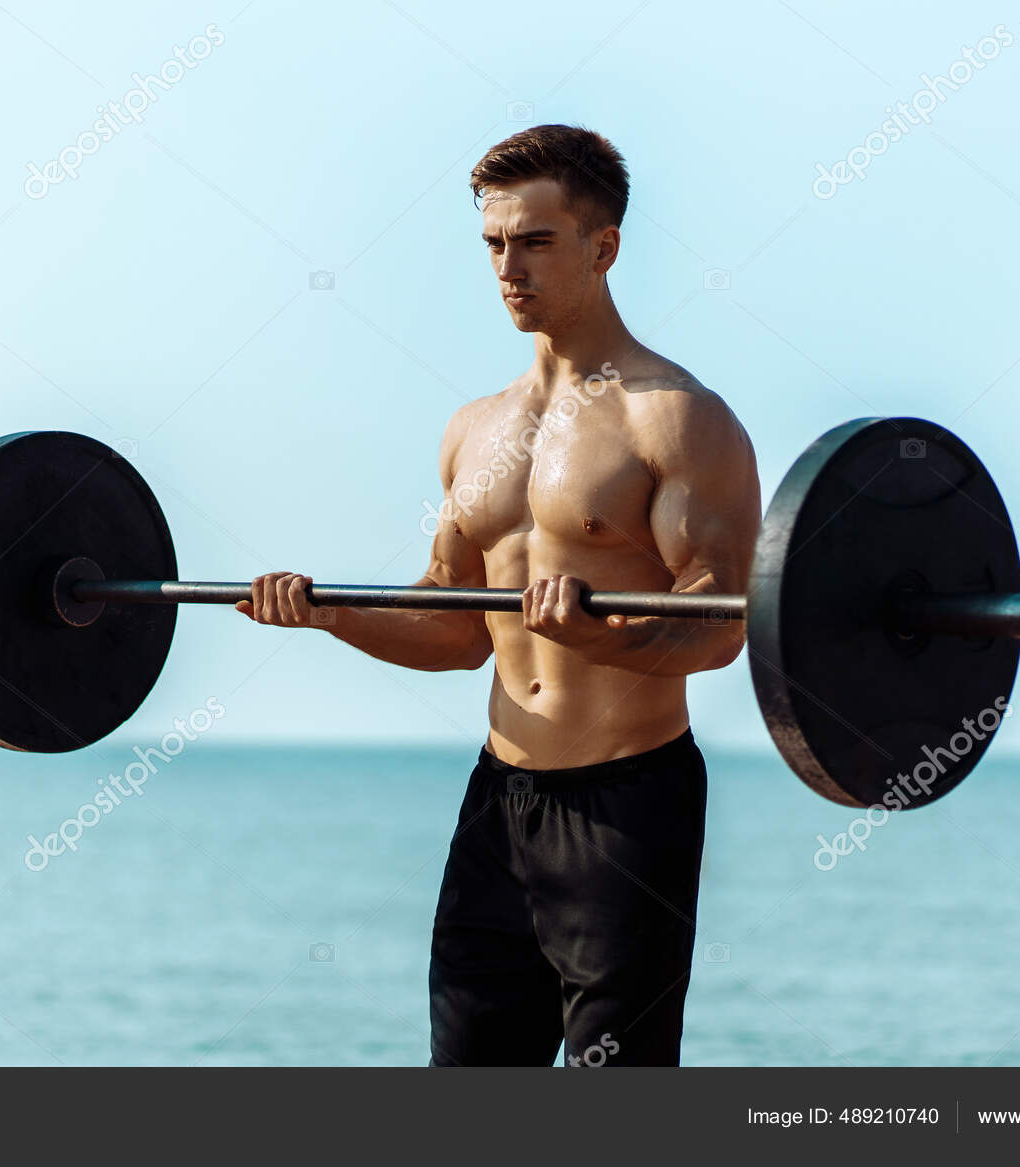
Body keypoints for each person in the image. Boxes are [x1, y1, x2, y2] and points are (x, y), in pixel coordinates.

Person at [235, 124, 761, 1066]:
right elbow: (455, 623)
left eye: (535, 240)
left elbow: (722, 622)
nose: (507, 267)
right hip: (498, 799)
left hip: (627, 803)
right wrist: (330, 614)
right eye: (493, 244)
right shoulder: (474, 430)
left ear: (603, 247)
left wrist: (603, 641)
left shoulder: (676, 418)